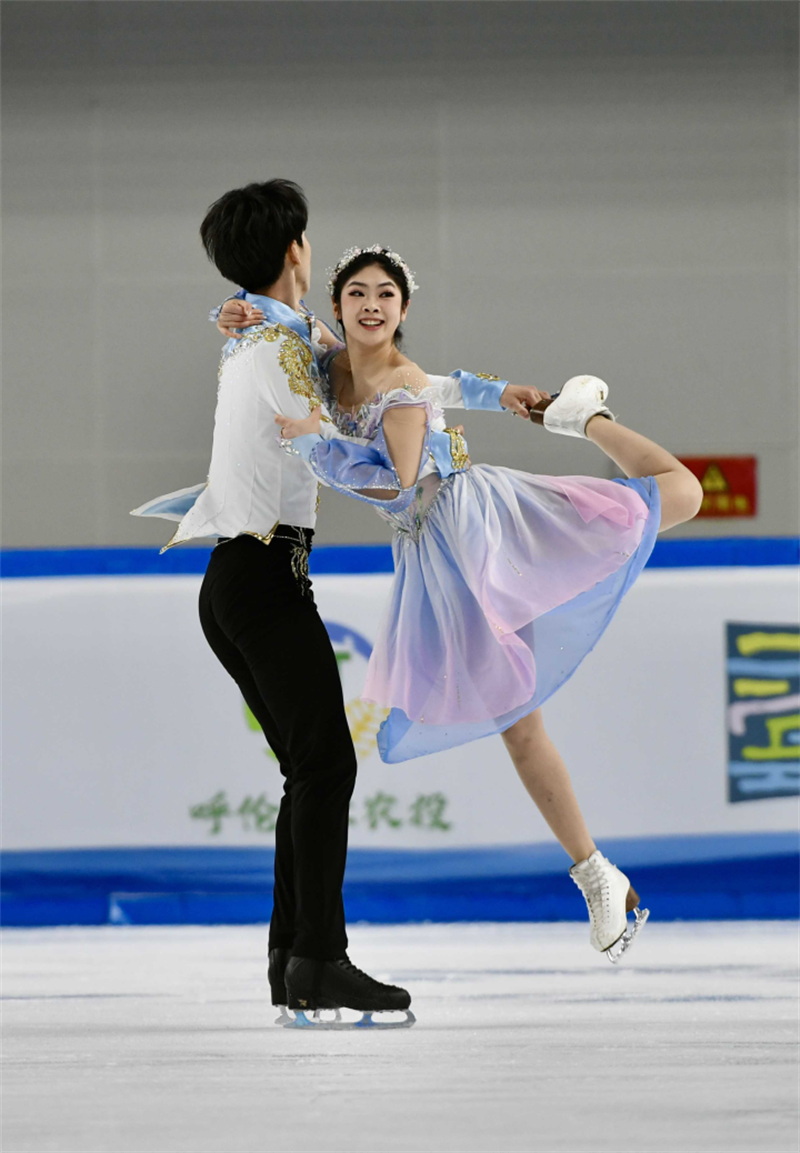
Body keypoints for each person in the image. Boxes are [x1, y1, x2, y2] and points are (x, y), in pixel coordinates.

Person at [133, 183, 547, 1025]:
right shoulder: (276, 349)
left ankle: (294, 958)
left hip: (246, 578)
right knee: (326, 767)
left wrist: (493, 392)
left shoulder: (276, 333)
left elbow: (389, 380)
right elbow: (351, 438)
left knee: (311, 769)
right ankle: (319, 959)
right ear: (297, 252)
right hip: (261, 577)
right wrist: (416, 474)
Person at [276, 245, 704, 963]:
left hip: (478, 527)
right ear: (339, 306)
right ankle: (595, 872)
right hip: (435, 561)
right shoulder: (331, 363)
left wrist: (315, 445)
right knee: (518, 723)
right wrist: (239, 310)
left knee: (680, 492)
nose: (372, 304)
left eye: (386, 294)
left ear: (403, 310)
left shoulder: (402, 383)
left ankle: (587, 419)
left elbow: (395, 481)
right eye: (358, 293)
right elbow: (299, 320)